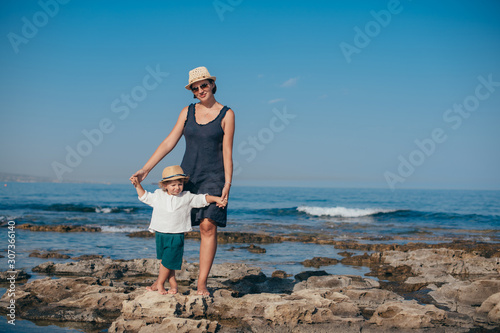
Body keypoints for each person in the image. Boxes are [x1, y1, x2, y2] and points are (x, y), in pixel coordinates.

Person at [130, 66, 235, 296]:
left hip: (215, 177)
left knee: (208, 226)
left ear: (212, 84)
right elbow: (169, 142)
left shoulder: (227, 114)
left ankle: (201, 283)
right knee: (173, 228)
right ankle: (169, 282)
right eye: (195, 88)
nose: (200, 90)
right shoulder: (187, 112)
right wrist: (146, 169)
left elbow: (227, 152)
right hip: (187, 176)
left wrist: (227, 183)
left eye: (203, 85)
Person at [131, 165, 226, 295]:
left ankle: (159, 283)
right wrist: (137, 185)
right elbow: (144, 197)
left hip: (176, 234)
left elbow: (202, 199)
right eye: (173, 185)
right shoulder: (158, 195)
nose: (177, 188)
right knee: (165, 260)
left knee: (169, 260)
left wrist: (216, 198)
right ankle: (173, 284)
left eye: (180, 184)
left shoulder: (186, 196)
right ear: (165, 185)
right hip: (160, 232)